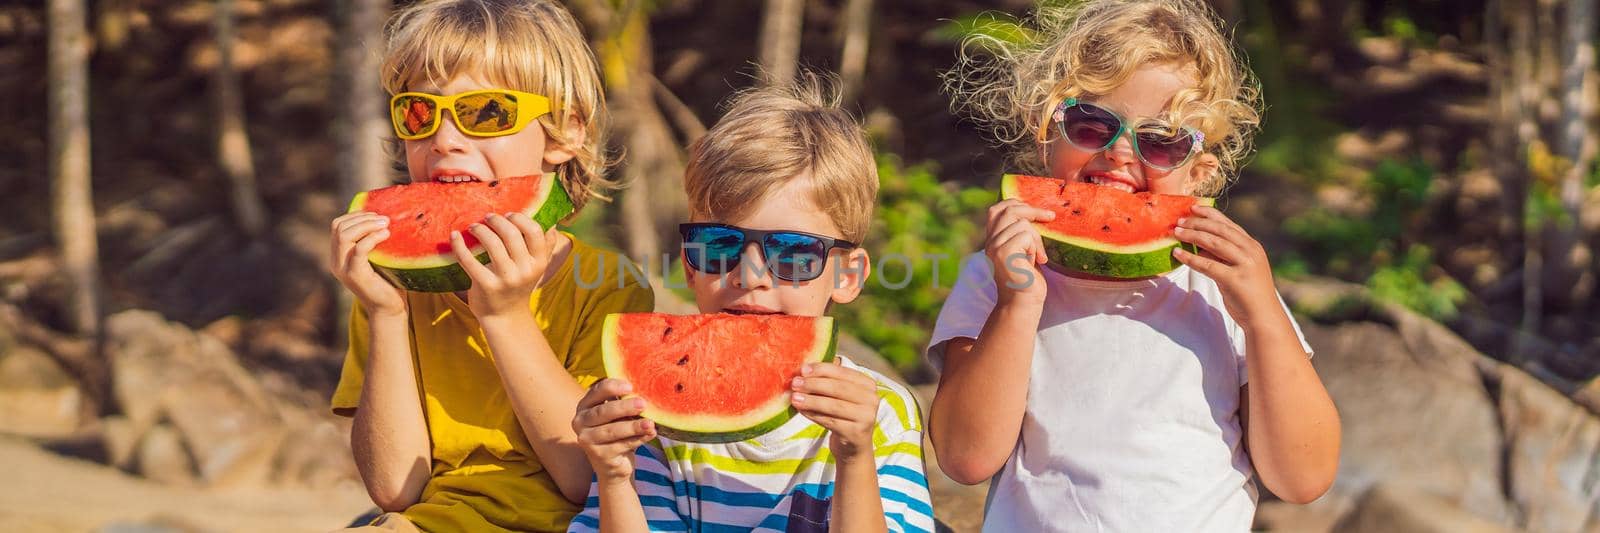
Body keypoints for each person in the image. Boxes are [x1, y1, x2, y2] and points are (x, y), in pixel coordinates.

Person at [928, 1, 1342, 530]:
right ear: (1045, 131)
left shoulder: (1225, 291)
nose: (1121, 153)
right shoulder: (995, 277)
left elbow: (1302, 478)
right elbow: (965, 458)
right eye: (1090, 123)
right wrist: (1018, 304)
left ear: (1199, 174)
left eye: (1161, 141)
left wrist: (1263, 318)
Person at [328, 1, 653, 530]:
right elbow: (394, 488)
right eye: (418, 113)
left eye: (485, 112)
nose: (445, 139)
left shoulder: (610, 285)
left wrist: (503, 316)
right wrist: (386, 313)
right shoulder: (391, 286)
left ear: (564, 134)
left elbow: (583, 477)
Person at [567, 77, 935, 533]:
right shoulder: (649, 414)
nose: (750, 275)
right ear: (688, 265)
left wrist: (855, 457)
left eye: (793, 252)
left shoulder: (879, 413)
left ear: (848, 275)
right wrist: (615, 476)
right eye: (718, 245)